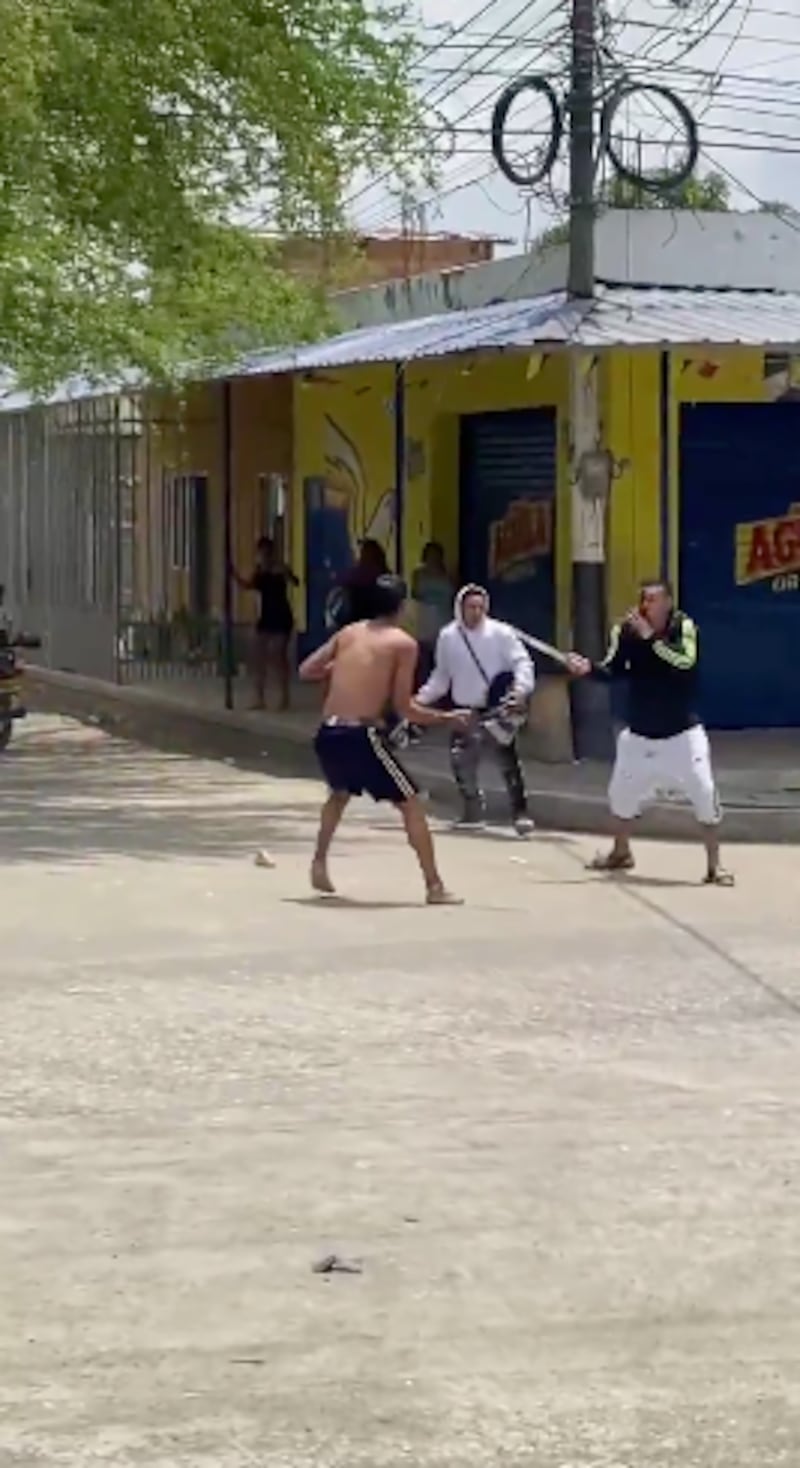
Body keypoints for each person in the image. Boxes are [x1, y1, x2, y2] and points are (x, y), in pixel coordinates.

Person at [299, 574, 469, 905]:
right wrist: (448, 718)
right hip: (361, 734)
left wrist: (339, 668)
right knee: (411, 803)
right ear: (402, 607)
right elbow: (405, 707)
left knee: (339, 794)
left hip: (328, 731)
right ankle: (434, 886)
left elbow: (307, 669)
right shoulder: (402, 644)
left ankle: (319, 862)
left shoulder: (348, 633)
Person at [566, 577, 734, 886]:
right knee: (621, 796)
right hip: (640, 732)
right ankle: (621, 852)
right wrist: (588, 669)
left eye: (654, 600)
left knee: (704, 794)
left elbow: (685, 663)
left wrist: (652, 640)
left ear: (668, 603)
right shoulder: (625, 631)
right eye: (644, 599)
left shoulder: (684, 627)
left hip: (682, 733)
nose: (647, 606)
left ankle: (715, 865)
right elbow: (612, 669)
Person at [415, 584, 535, 836]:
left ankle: (520, 813)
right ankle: (472, 812)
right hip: (464, 710)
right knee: (461, 763)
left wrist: (520, 690)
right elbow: (441, 677)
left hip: (497, 709)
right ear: (460, 607)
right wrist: (420, 700)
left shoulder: (501, 633)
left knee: (508, 764)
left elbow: (522, 662)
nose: (476, 612)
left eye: (481, 607)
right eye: (471, 607)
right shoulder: (448, 637)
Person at [232, 537, 298, 711]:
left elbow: (295, 581)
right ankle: (259, 697)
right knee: (259, 656)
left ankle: (284, 697)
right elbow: (248, 585)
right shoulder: (260, 572)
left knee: (278, 656)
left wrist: (285, 573)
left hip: (281, 616)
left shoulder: (279, 569)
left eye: (265, 553)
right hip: (266, 617)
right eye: (260, 553)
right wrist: (235, 575)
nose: (262, 556)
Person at [411, 541, 454, 684]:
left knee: (442, 660)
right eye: (430, 554)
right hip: (425, 621)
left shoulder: (449, 574)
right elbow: (415, 594)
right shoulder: (418, 574)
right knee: (424, 659)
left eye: (436, 554)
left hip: (444, 619)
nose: (433, 558)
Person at [330, 538, 389, 628]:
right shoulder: (385, 575)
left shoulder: (359, 573)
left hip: (356, 620)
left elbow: (339, 579)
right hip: (380, 622)